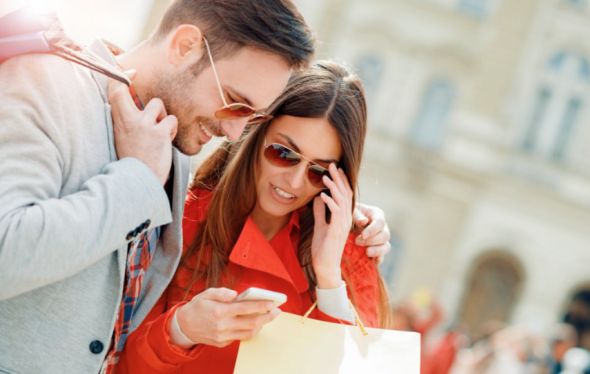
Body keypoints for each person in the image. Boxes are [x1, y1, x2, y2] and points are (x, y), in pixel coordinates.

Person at [0, 1, 390, 373]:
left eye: (250, 117)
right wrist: (137, 179)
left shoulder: (175, 149)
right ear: (185, 46)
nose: (234, 131)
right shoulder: (45, 84)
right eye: (236, 103)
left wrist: (335, 265)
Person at [115, 61, 391, 373]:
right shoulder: (184, 217)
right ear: (254, 133)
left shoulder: (351, 251)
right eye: (284, 154)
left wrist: (328, 276)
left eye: (319, 171)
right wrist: (181, 330)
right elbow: (116, 362)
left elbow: (360, 365)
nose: (296, 182)